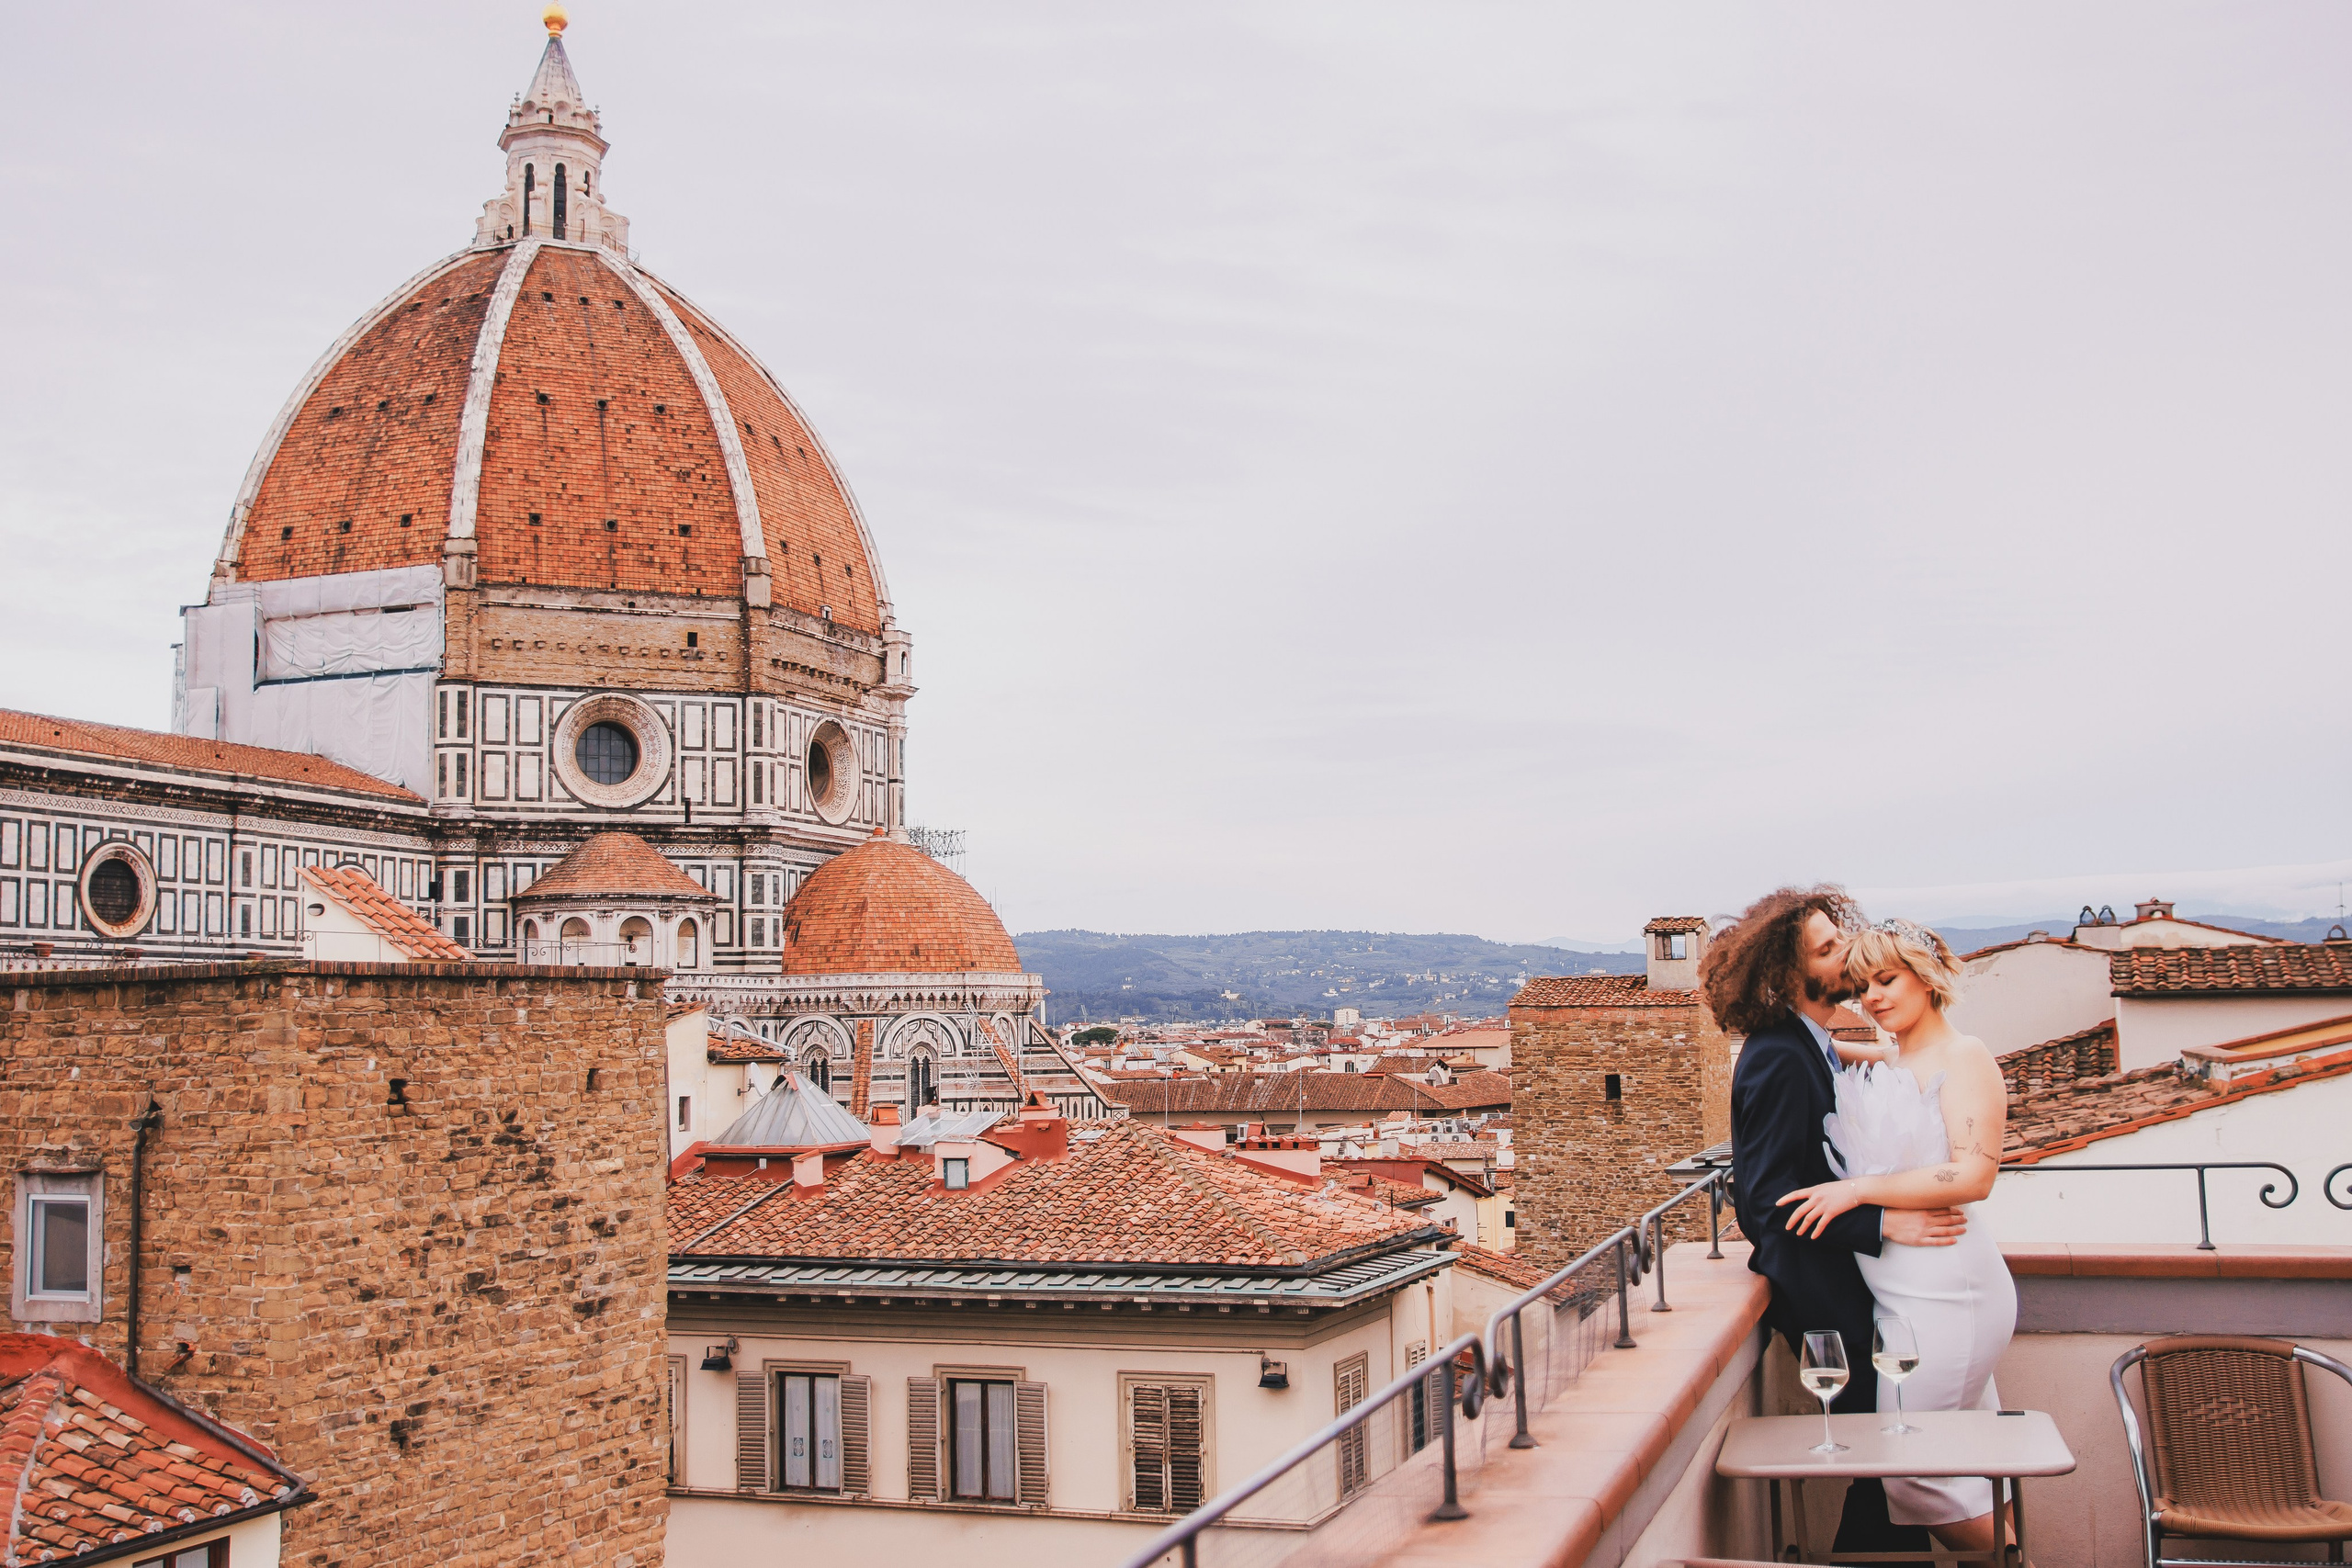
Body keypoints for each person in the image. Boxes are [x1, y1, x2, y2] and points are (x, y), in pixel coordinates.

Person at [1707, 887, 1965, 1560]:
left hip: (1837, 1283)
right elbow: (1763, 1202)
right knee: (1887, 1460)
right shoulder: (1778, 1056)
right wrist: (1881, 1225)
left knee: (1885, 1464)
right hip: (1819, 1294)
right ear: (1790, 976)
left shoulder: (1810, 1044)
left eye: (1838, 937)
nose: (1846, 954)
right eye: (1827, 950)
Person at [1778, 920, 2018, 1557]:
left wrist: (1859, 1192)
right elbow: (1821, 1047)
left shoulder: (1965, 1055)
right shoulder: (1894, 1057)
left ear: (1927, 976)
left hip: (1951, 1295)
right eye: (1863, 987)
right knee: (1972, 1459)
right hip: (1904, 1300)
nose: (1873, 998)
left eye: (1887, 979)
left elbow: (1974, 1174)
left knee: (1912, 1473)